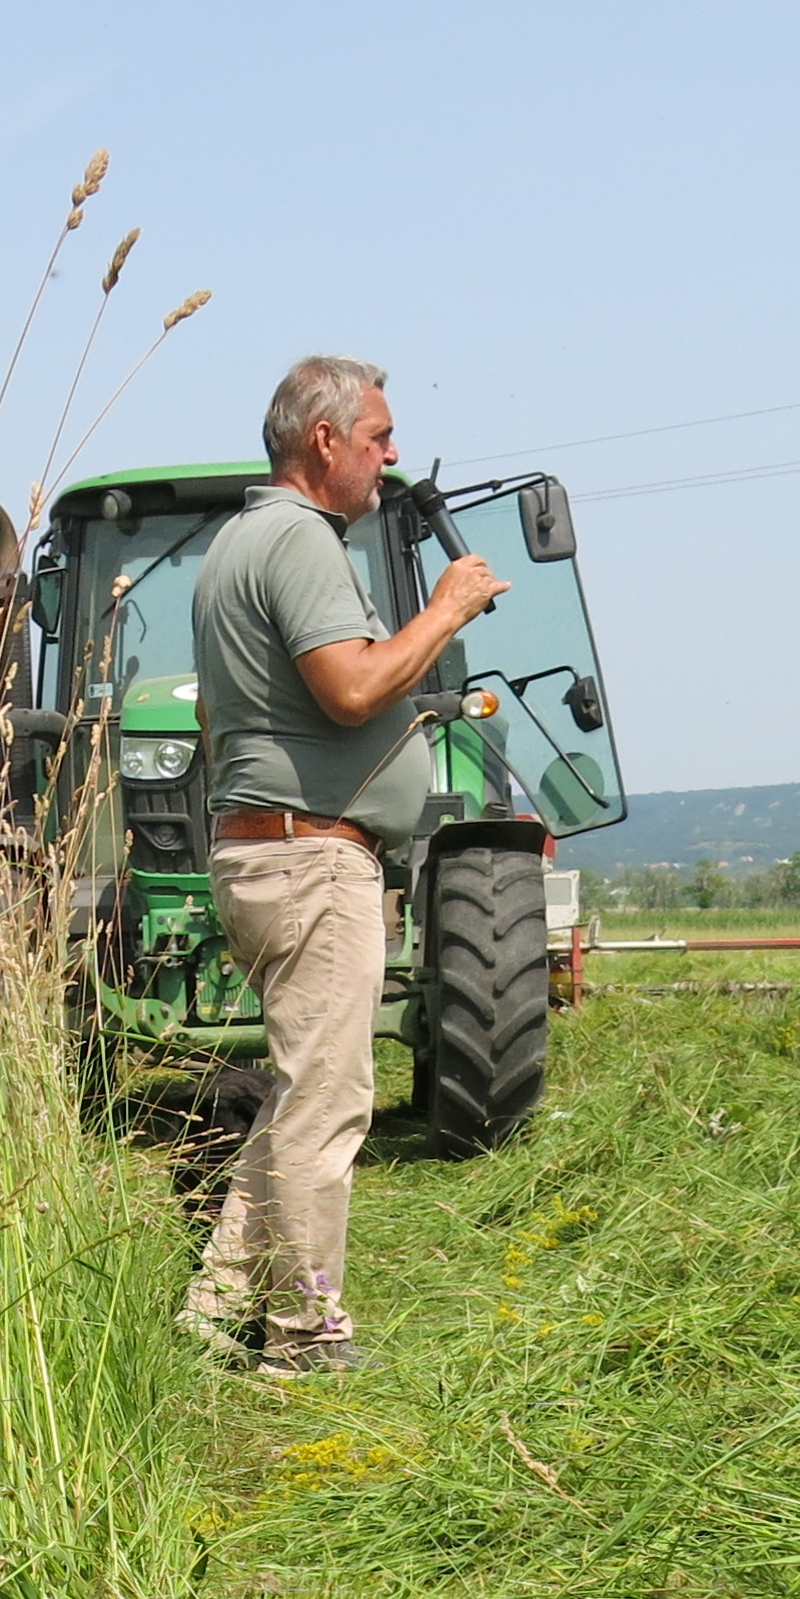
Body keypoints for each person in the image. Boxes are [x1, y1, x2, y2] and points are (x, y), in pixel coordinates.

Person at [182, 353, 500, 1374]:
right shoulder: (299, 540)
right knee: (328, 1111)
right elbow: (351, 689)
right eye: (378, 437)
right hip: (313, 863)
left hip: (266, 856)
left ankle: (210, 1313)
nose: (391, 455)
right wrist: (444, 609)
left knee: (296, 1098)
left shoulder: (237, 542)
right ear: (323, 441)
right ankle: (304, 1338)